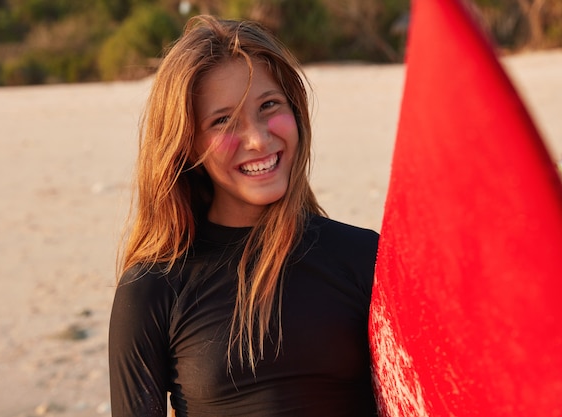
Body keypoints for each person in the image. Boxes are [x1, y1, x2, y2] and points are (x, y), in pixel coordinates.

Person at [108, 15, 380, 417]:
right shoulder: (153, 288)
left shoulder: (364, 257)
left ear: (296, 110)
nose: (258, 138)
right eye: (223, 121)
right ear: (186, 144)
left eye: (269, 105)